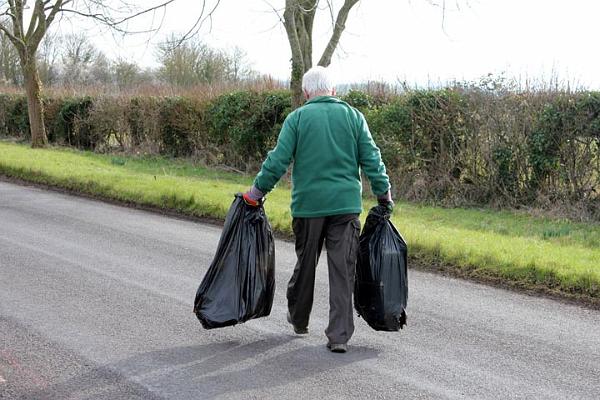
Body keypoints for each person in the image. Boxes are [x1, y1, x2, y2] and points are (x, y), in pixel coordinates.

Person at [243, 66, 392, 353]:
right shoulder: (353, 117)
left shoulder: (297, 118)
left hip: (308, 208)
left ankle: (299, 319)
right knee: (342, 270)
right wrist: (384, 194)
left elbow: (277, 161)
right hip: (346, 207)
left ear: (306, 93)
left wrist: (256, 192)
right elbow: (373, 159)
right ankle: (338, 336)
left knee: (306, 263)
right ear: (334, 91)